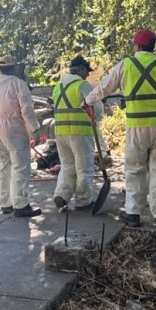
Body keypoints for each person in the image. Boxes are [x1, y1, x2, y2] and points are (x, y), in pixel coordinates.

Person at [84, 29, 156, 229]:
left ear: (138, 46)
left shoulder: (126, 65)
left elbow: (104, 87)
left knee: (134, 170)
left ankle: (133, 214)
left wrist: (87, 100)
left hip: (137, 128)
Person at [0, 56, 42, 217]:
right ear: (14, 68)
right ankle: (21, 204)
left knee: (3, 166)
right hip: (13, 129)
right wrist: (34, 128)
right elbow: (26, 109)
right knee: (21, 167)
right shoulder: (18, 84)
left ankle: (6, 203)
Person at [51, 56, 97, 211]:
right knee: (84, 168)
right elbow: (97, 108)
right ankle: (83, 201)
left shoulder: (58, 86)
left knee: (67, 166)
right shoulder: (82, 85)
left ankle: (62, 195)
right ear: (80, 69)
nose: (88, 75)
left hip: (61, 133)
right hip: (80, 133)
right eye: (87, 71)